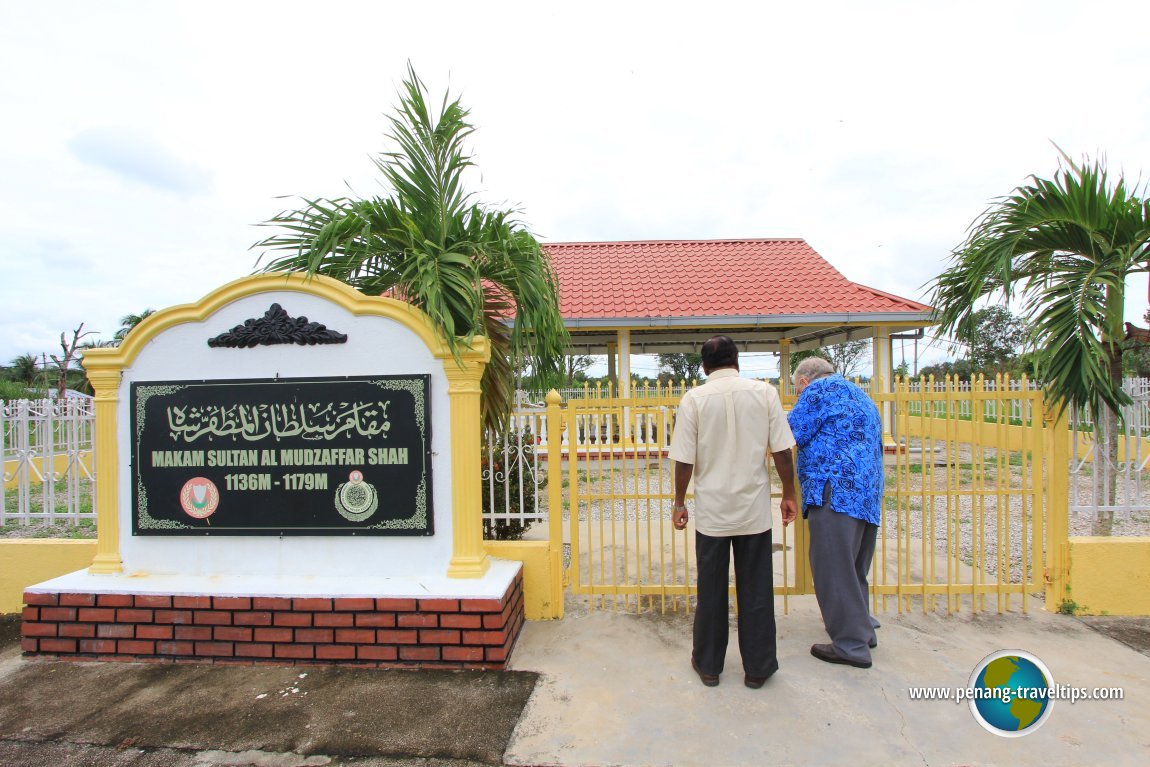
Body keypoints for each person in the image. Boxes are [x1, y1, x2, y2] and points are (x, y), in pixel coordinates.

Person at [668, 335, 798, 689]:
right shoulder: (764, 394)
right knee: (756, 589)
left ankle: (709, 665)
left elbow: (684, 458)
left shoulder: (694, 399)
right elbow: (783, 452)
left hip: (712, 513)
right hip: (753, 511)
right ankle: (757, 668)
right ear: (736, 361)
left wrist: (680, 502)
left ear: (705, 366)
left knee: (711, 589)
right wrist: (789, 493)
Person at [788, 356, 884, 670]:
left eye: (796, 391)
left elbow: (790, 434)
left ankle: (851, 645)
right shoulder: (860, 394)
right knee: (854, 566)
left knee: (833, 567)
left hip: (835, 492)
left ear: (803, 382)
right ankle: (862, 629)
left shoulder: (817, 392)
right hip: (867, 493)